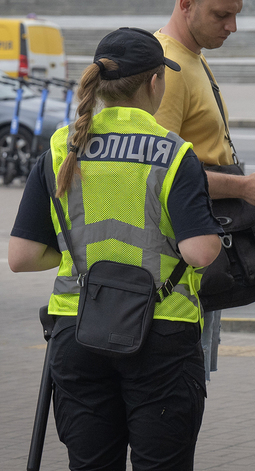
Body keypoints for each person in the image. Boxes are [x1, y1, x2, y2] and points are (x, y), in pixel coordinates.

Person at [8, 27, 223, 470]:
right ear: (154, 82)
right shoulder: (173, 153)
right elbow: (200, 253)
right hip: (161, 333)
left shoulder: (59, 147)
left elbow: (22, 256)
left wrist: (74, 256)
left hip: (77, 328)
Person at [155, 0, 255, 382]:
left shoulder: (192, 57)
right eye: (221, 14)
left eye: (237, 14)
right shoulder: (168, 69)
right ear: (186, 3)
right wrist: (244, 187)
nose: (232, 26)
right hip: (181, 264)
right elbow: (160, 174)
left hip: (198, 253)